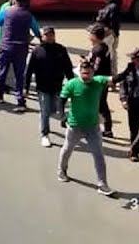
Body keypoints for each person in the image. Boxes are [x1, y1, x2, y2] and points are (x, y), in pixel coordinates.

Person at [58, 60, 115, 196]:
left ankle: (102, 184)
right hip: (75, 126)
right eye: (83, 73)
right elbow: (62, 100)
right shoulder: (72, 84)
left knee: (98, 155)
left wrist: (129, 70)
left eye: (88, 73)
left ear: (93, 72)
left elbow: (115, 79)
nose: (86, 76)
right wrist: (62, 116)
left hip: (93, 127)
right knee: (67, 149)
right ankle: (61, 170)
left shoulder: (98, 81)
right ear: (79, 72)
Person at [25, 27, 74, 148]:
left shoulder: (61, 50)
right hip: (42, 87)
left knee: (54, 110)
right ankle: (45, 133)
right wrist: (26, 87)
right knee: (45, 111)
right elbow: (29, 70)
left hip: (57, 86)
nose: (49, 37)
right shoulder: (37, 51)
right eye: (46, 35)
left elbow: (68, 68)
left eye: (51, 35)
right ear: (42, 37)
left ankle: (59, 120)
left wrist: (73, 84)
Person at [0, 0, 41, 111]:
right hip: (21, 48)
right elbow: (36, 30)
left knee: (2, 72)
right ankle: (20, 101)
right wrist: (40, 39)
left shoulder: (6, 11)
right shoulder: (28, 15)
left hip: (6, 47)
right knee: (19, 75)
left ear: (14, 0)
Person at [87, 24, 115, 138]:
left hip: (98, 82)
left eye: (90, 34)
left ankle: (99, 128)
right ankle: (107, 128)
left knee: (98, 104)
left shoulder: (99, 50)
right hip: (103, 80)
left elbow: (96, 67)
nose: (89, 36)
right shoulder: (103, 47)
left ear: (95, 36)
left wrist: (87, 67)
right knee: (102, 104)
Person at [95, 0, 123, 78]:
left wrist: (105, 35)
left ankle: (112, 78)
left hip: (109, 36)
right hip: (107, 35)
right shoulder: (111, 5)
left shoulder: (113, 7)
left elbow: (113, 25)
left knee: (110, 57)